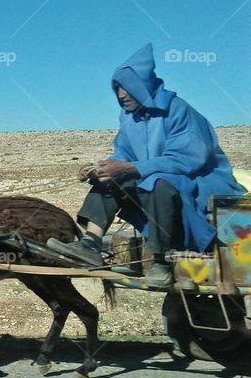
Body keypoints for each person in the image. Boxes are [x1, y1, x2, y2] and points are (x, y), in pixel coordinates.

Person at [49, 43, 245, 287]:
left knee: (157, 182)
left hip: (198, 182)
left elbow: (187, 160)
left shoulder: (178, 110)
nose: (121, 95)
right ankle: (90, 243)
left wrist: (131, 168)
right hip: (156, 181)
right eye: (117, 89)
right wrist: (101, 169)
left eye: (126, 88)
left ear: (142, 85)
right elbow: (123, 156)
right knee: (112, 179)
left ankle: (161, 262)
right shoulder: (130, 119)